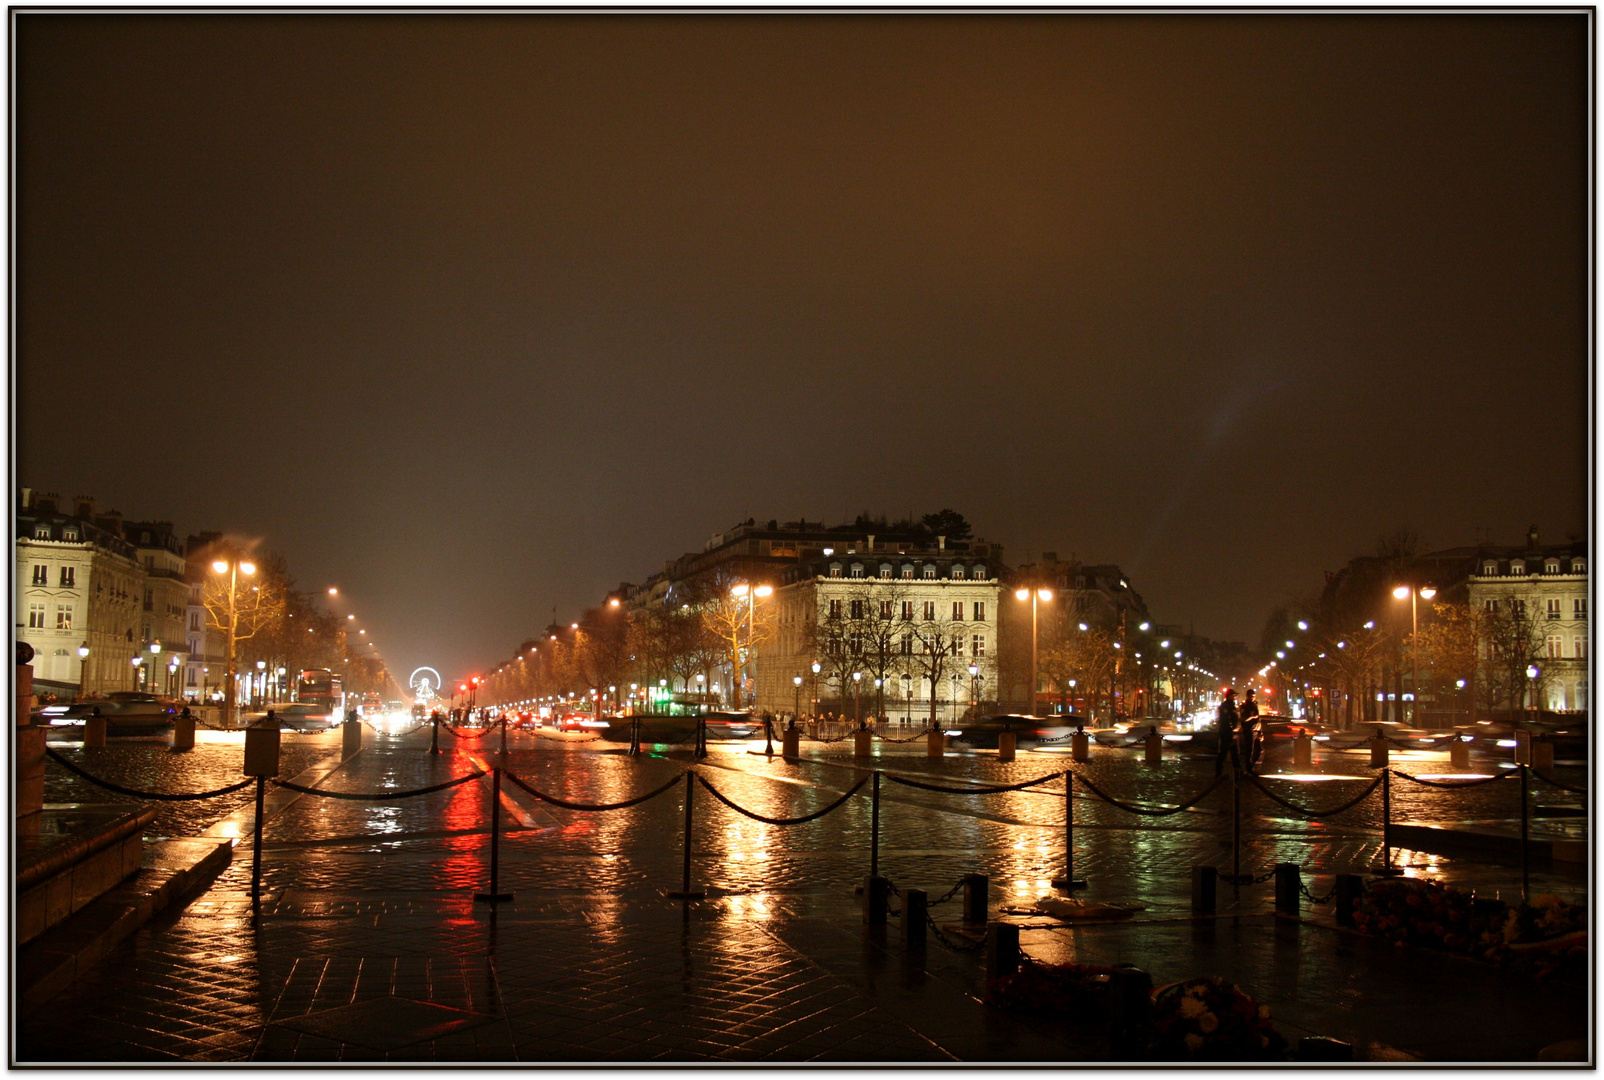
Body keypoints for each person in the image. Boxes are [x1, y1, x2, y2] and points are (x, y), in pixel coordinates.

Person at [1214, 688, 1240, 777]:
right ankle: (1219, 772)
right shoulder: (1226, 705)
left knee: (1234, 753)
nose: (1235, 697)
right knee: (1224, 752)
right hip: (1227, 732)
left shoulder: (1231, 705)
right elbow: (1227, 719)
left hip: (1229, 731)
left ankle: (1237, 771)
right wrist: (1232, 728)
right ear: (1229, 696)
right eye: (1233, 695)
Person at [1238, 689, 1262, 773]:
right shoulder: (1245, 706)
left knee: (1259, 750)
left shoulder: (1254, 704)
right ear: (1247, 696)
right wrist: (1252, 717)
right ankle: (1248, 769)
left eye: (1253, 696)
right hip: (1248, 730)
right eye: (1251, 696)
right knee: (1249, 751)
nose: (1252, 698)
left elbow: (1258, 719)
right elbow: (1243, 719)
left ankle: (1251, 765)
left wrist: (1260, 732)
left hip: (1256, 730)